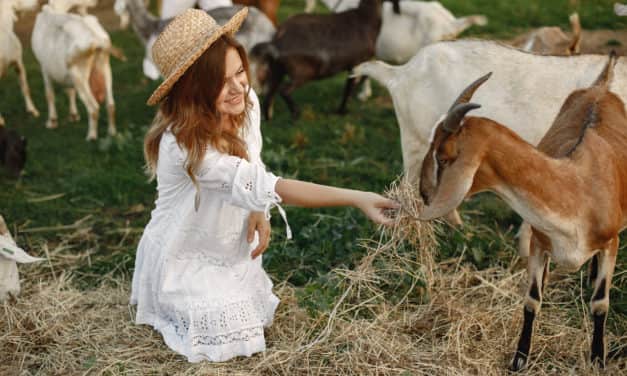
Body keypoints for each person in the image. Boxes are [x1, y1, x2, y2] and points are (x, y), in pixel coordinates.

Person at [131, 7, 398, 362]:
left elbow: (252, 160)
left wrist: (257, 208)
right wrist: (356, 197)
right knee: (222, 334)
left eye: (239, 71)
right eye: (219, 82)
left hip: (226, 245)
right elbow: (271, 183)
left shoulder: (246, 102)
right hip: (184, 256)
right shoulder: (184, 146)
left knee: (250, 320)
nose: (238, 86)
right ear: (193, 90)